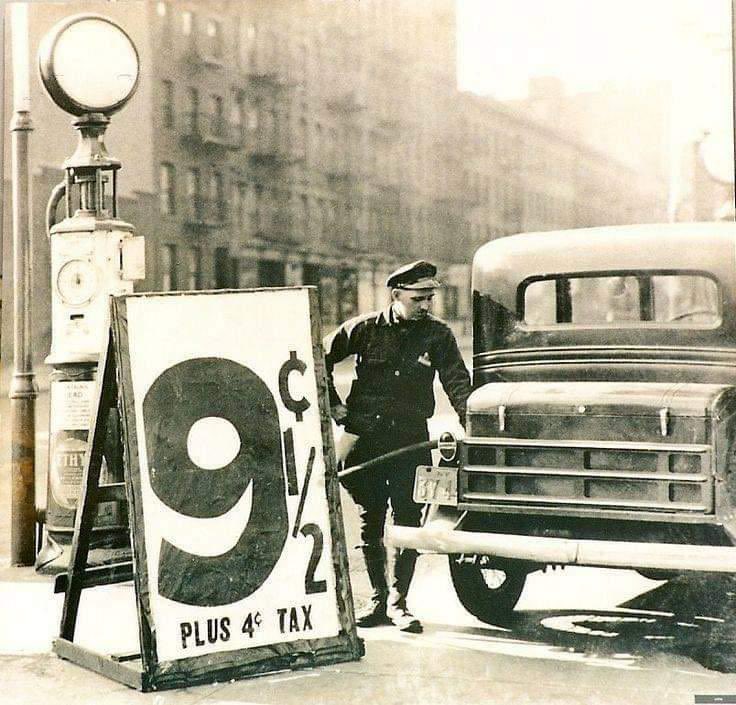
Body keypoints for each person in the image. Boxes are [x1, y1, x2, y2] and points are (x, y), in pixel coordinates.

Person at [324, 260, 471, 633]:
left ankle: (398, 603)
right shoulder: (363, 328)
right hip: (365, 441)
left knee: (409, 520)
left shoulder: (437, 335)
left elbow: (457, 381)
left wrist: (471, 423)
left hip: (410, 441)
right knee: (369, 519)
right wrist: (334, 405)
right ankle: (376, 601)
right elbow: (316, 357)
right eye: (419, 298)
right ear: (396, 295)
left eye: (430, 298)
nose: (426, 305)